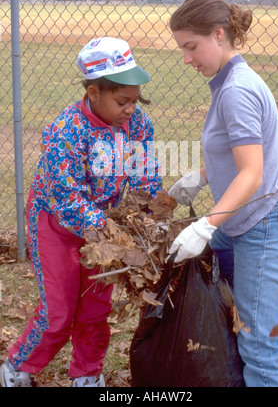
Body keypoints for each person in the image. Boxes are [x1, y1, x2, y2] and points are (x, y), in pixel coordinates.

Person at [0, 37, 162, 387]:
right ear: (93, 92)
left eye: (136, 100)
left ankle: (87, 375)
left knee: (95, 309)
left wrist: (153, 211)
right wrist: (108, 230)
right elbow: (67, 199)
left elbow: (144, 174)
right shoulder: (66, 131)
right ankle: (17, 368)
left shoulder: (137, 124)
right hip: (56, 225)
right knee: (58, 313)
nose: (131, 109)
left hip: (104, 227)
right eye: (122, 101)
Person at [168, 0, 278, 387]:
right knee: (237, 321)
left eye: (191, 46)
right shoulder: (227, 84)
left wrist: (206, 224)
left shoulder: (236, 90)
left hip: (265, 221)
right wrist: (202, 177)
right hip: (247, 221)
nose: (186, 59)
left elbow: (252, 174)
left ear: (218, 34)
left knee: (258, 343)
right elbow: (239, 155)